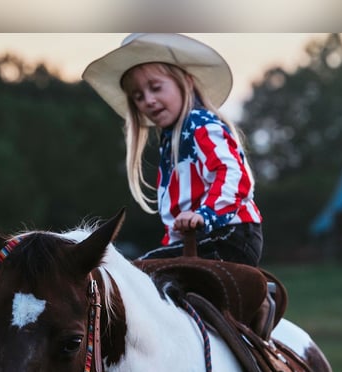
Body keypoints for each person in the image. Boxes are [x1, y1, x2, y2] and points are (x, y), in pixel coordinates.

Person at [83, 33, 263, 266]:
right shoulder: (170, 142)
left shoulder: (200, 124)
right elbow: (181, 205)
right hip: (199, 239)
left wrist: (204, 215)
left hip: (228, 234)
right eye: (138, 96)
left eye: (156, 88)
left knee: (140, 273)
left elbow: (233, 174)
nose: (148, 100)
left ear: (186, 83)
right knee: (142, 273)